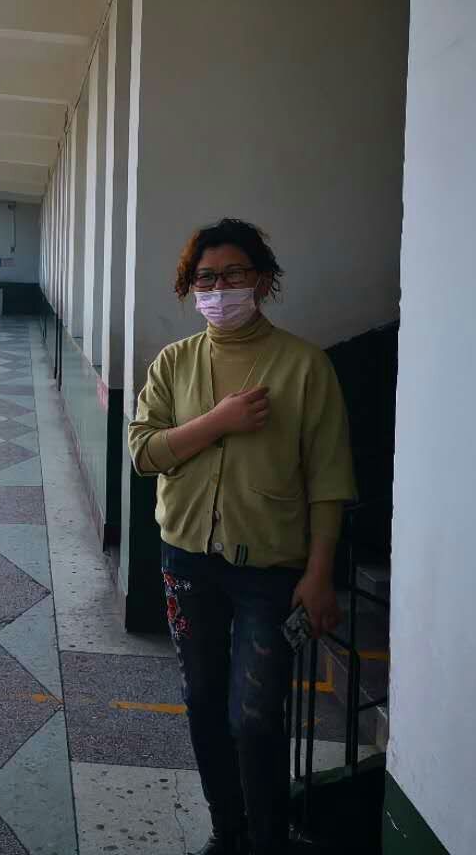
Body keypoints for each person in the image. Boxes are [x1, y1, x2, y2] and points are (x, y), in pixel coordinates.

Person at [127, 218, 356, 855]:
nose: (218, 289)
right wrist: (219, 421)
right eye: (204, 279)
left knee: (254, 716)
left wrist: (319, 573)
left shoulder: (305, 366)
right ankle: (227, 831)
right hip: (186, 560)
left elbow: (330, 480)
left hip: (269, 571)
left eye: (232, 274)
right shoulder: (174, 363)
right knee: (202, 700)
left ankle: (268, 837)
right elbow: (143, 453)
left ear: (261, 279)